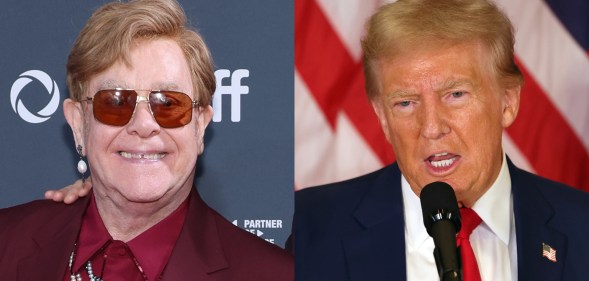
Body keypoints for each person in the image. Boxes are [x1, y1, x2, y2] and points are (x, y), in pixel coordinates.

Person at [294, 0, 589, 280]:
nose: (432, 128)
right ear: (383, 117)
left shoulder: (582, 228)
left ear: (508, 102)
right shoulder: (311, 230)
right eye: (406, 103)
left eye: (455, 95)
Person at [0, 1, 293, 280]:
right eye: (115, 102)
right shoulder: (7, 243)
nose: (143, 125)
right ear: (79, 123)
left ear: (200, 126)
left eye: (168, 103)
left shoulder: (274, 274)